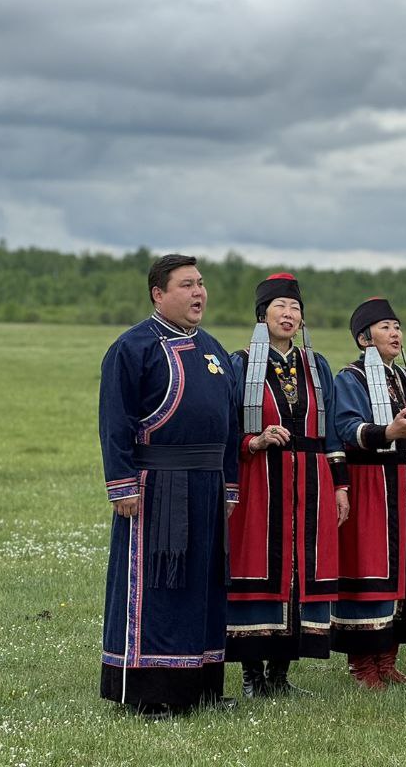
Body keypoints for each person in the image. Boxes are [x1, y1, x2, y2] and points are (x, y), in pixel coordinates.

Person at [98, 253, 241, 717]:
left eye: (201, 283)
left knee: (203, 586)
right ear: (159, 294)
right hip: (157, 486)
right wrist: (122, 486)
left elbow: (233, 427)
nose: (199, 292)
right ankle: (150, 693)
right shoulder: (133, 347)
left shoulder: (216, 349)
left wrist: (231, 485)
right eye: (186, 285)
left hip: (209, 485)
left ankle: (201, 688)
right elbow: (114, 422)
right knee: (160, 585)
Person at [226, 273, 350, 697]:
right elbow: (227, 427)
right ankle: (251, 675)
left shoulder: (317, 366)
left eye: (295, 308)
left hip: (311, 481)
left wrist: (341, 486)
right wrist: (254, 441)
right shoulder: (239, 363)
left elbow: (332, 431)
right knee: (257, 565)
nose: (289, 314)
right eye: (280, 306)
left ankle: (280, 675)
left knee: (300, 572)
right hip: (260, 479)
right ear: (262, 315)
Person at [331, 297, 406, 689]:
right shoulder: (349, 378)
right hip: (372, 483)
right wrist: (388, 433)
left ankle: (388, 660)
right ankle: (363, 665)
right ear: (363, 339)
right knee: (369, 567)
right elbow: (346, 427)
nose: (396, 333)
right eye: (386, 327)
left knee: (403, 571)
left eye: (397, 326)